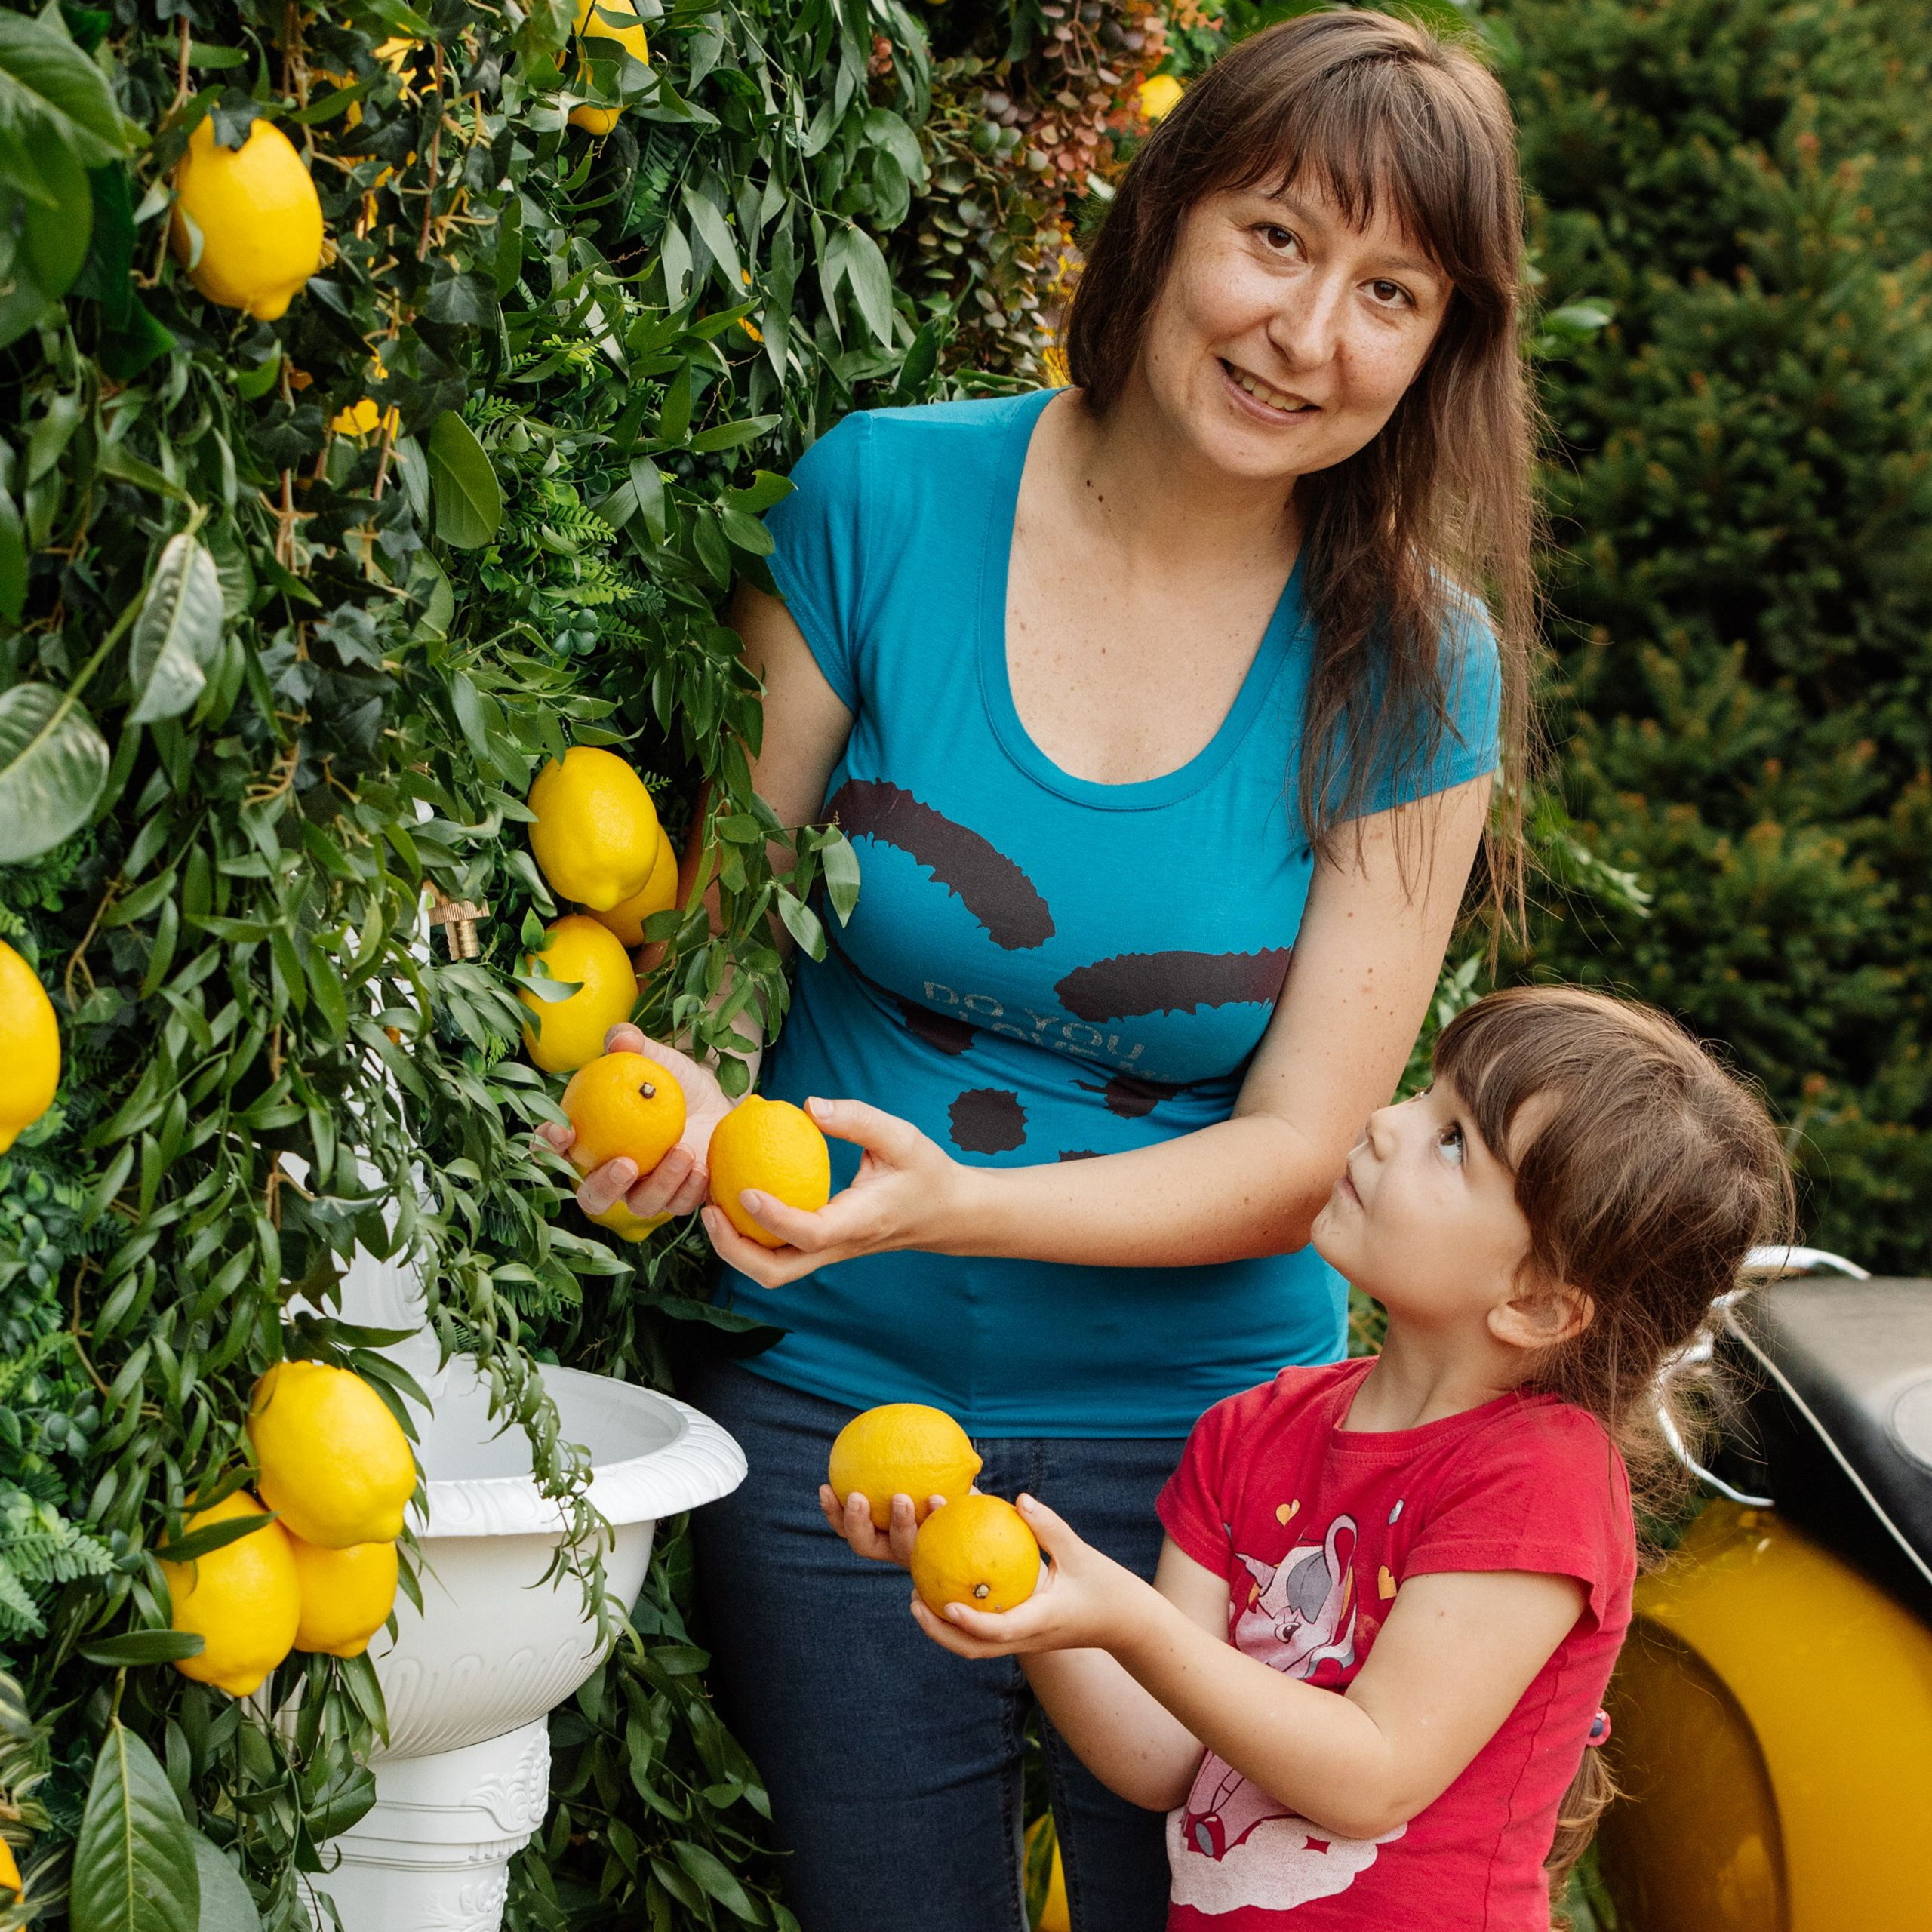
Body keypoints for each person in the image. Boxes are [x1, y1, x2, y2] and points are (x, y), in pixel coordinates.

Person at [544, 12, 1537, 1927]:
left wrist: (955, 1206)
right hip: (835, 1414)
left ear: (1438, 347)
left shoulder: (1415, 661)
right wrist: (674, 1107)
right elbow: (728, 935)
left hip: (1219, 1477)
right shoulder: (881, 501)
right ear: (1160, 217)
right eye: (1272, 239)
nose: (1306, 334)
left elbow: (1295, 1147)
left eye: (1387, 290)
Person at [861, 986, 1795, 1928]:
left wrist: (1132, 1621)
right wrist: (1040, 1605)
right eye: (1423, 1098)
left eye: (1454, 1142)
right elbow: (1161, 1759)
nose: (1384, 1124)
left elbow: (1372, 1777)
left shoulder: (1538, 1480)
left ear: (1538, 1304)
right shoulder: (1249, 1432)